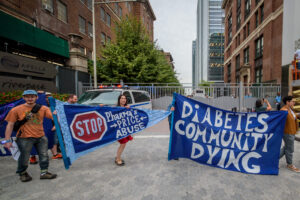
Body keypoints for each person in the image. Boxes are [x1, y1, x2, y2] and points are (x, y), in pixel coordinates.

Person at [3, 90, 57, 182]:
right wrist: (7, 140)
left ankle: (44, 172)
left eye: (32, 96)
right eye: (27, 96)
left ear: (36, 97)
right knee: (24, 156)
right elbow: (10, 125)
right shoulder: (16, 109)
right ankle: (22, 173)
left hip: (41, 136)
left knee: (44, 155)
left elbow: (53, 116)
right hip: (24, 137)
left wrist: (56, 118)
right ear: (23, 98)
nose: (30, 98)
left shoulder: (43, 108)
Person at [280, 96, 300, 172]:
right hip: (288, 133)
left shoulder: (290, 109)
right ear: (287, 102)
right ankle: (290, 164)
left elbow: (294, 116)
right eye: (292, 101)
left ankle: (273, 159)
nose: (294, 102)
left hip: (292, 132)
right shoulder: (284, 111)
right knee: (289, 149)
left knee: (286, 148)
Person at [115, 95, 132, 166]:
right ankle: (118, 159)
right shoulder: (115, 108)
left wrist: (129, 109)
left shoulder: (127, 107)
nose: (123, 100)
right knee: (123, 143)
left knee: (123, 144)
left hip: (125, 128)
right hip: (119, 129)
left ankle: (118, 157)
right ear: (119, 100)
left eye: (125, 98)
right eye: (122, 98)